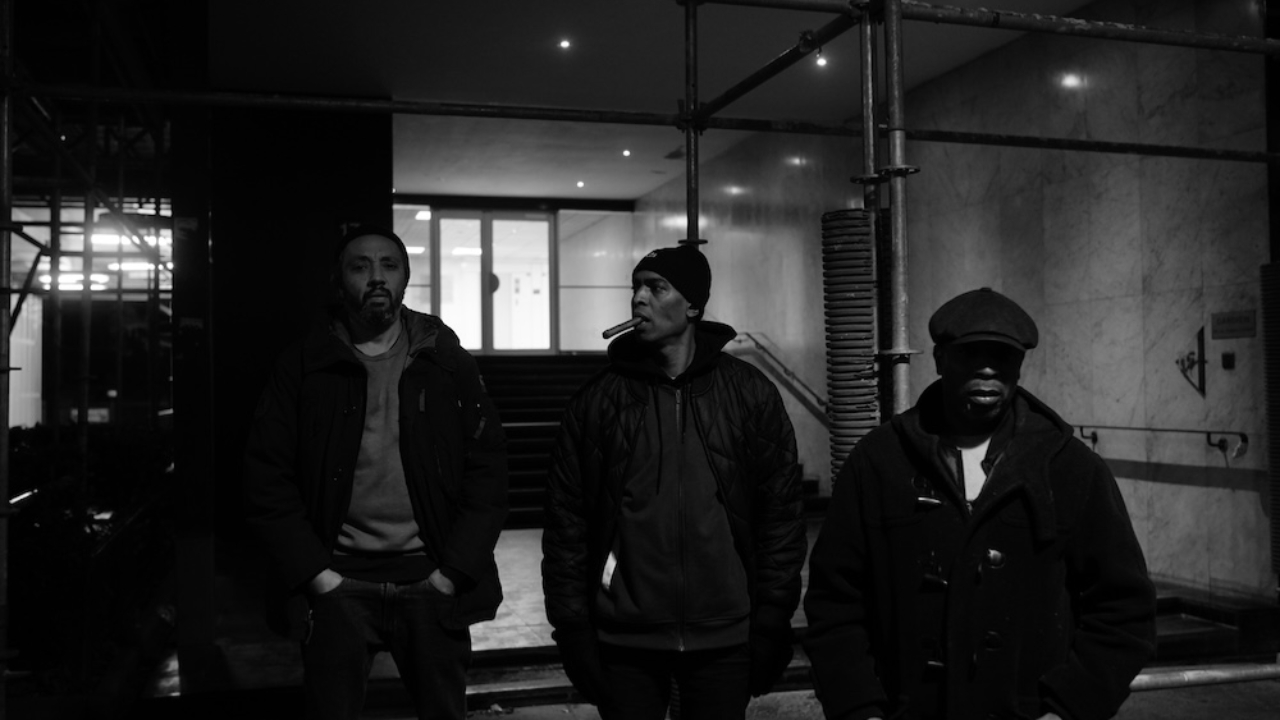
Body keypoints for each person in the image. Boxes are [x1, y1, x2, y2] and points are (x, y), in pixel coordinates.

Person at [803, 287, 1156, 720]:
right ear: (939, 359)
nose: (988, 369)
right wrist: (860, 710)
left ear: (1019, 366)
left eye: (1003, 356)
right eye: (971, 354)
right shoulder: (879, 463)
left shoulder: (1069, 468)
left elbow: (1124, 609)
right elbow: (834, 603)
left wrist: (1067, 709)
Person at [243, 225, 508, 720]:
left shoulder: (444, 360)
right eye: (360, 266)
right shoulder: (304, 364)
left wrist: (452, 573)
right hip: (338, 586)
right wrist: (317, 576)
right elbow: (266, 477)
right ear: (338, 280)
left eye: (389, 265)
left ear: (406, 277)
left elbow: (487, 471)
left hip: (430, 582)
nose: (377, 277)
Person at [541, 244, 808, 720]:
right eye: (636, 287)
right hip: (624, 639)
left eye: (656, 287)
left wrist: (772, 617)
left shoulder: (749, 393)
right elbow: (567, 525)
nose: (638, 298)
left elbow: (780, 515)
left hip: (725, 636)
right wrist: (572, 629)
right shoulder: (598, 401)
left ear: (693, 306)